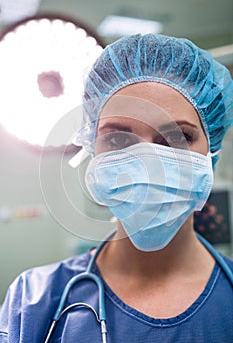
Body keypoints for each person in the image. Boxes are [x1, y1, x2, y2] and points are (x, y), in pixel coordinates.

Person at [1, 33, 233, 343]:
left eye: (177, 137)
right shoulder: (33, 301)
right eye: (119, 139)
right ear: (92, 150)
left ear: (211, 152)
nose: (148, 161)